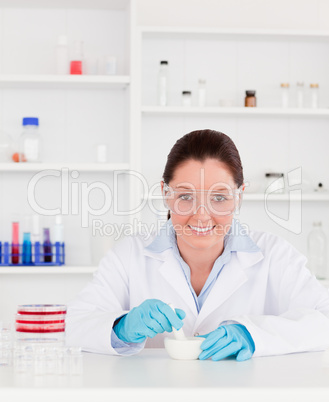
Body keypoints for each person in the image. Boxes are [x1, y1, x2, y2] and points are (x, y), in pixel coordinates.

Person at [66, 129, 329, 361]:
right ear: (165, 194)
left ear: (239, 197)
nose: (202, 214)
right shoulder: (129, 255)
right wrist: (121, 328)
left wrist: (254, 335)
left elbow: (324, 320)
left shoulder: (275, 255)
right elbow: (76, 325)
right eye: (185, 196)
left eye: (218, 197)